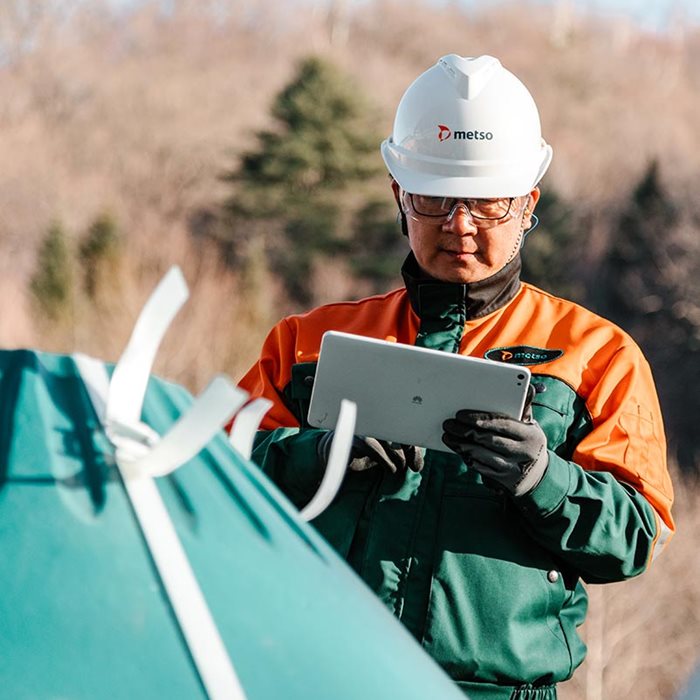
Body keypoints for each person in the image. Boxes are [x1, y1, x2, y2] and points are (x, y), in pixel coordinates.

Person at [236, 54, 675, 699]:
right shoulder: (307, 344)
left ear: (528, 204)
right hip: (324, 679)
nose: (459, 225)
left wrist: (542, 479)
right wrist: (322, 457)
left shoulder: (597, 355)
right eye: (435, 199)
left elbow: (633, 537)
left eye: (487, 203)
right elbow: (214, 473)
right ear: (399, 196)